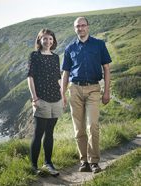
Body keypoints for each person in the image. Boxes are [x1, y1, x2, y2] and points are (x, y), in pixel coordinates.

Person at [61, 17, 111, 173]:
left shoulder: (99, 44)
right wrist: (62, 93)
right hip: (74, 90)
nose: (80, 28)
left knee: (93, 126)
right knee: (79, 128)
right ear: (74, 28)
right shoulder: (69, 48)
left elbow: (107, 69)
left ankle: (94, 161)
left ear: (88, 27)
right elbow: (65, 73)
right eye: (78, 26)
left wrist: (107, 91)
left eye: (83, 25)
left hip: (94, 89)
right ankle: (84, 161)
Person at [27, 28, 63, 176]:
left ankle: (48, 163)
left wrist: (63, 96)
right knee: (38, 133)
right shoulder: (34, 56)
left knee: (50, 133)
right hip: (41, 99)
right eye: (45, 39)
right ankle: (34, 166)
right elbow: (30, 77)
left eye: (50, 39)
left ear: (53, 41)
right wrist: (34, 98)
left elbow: (58, 78)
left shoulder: (55, 57)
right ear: (39, 40)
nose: (48, 41)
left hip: (56, 99)